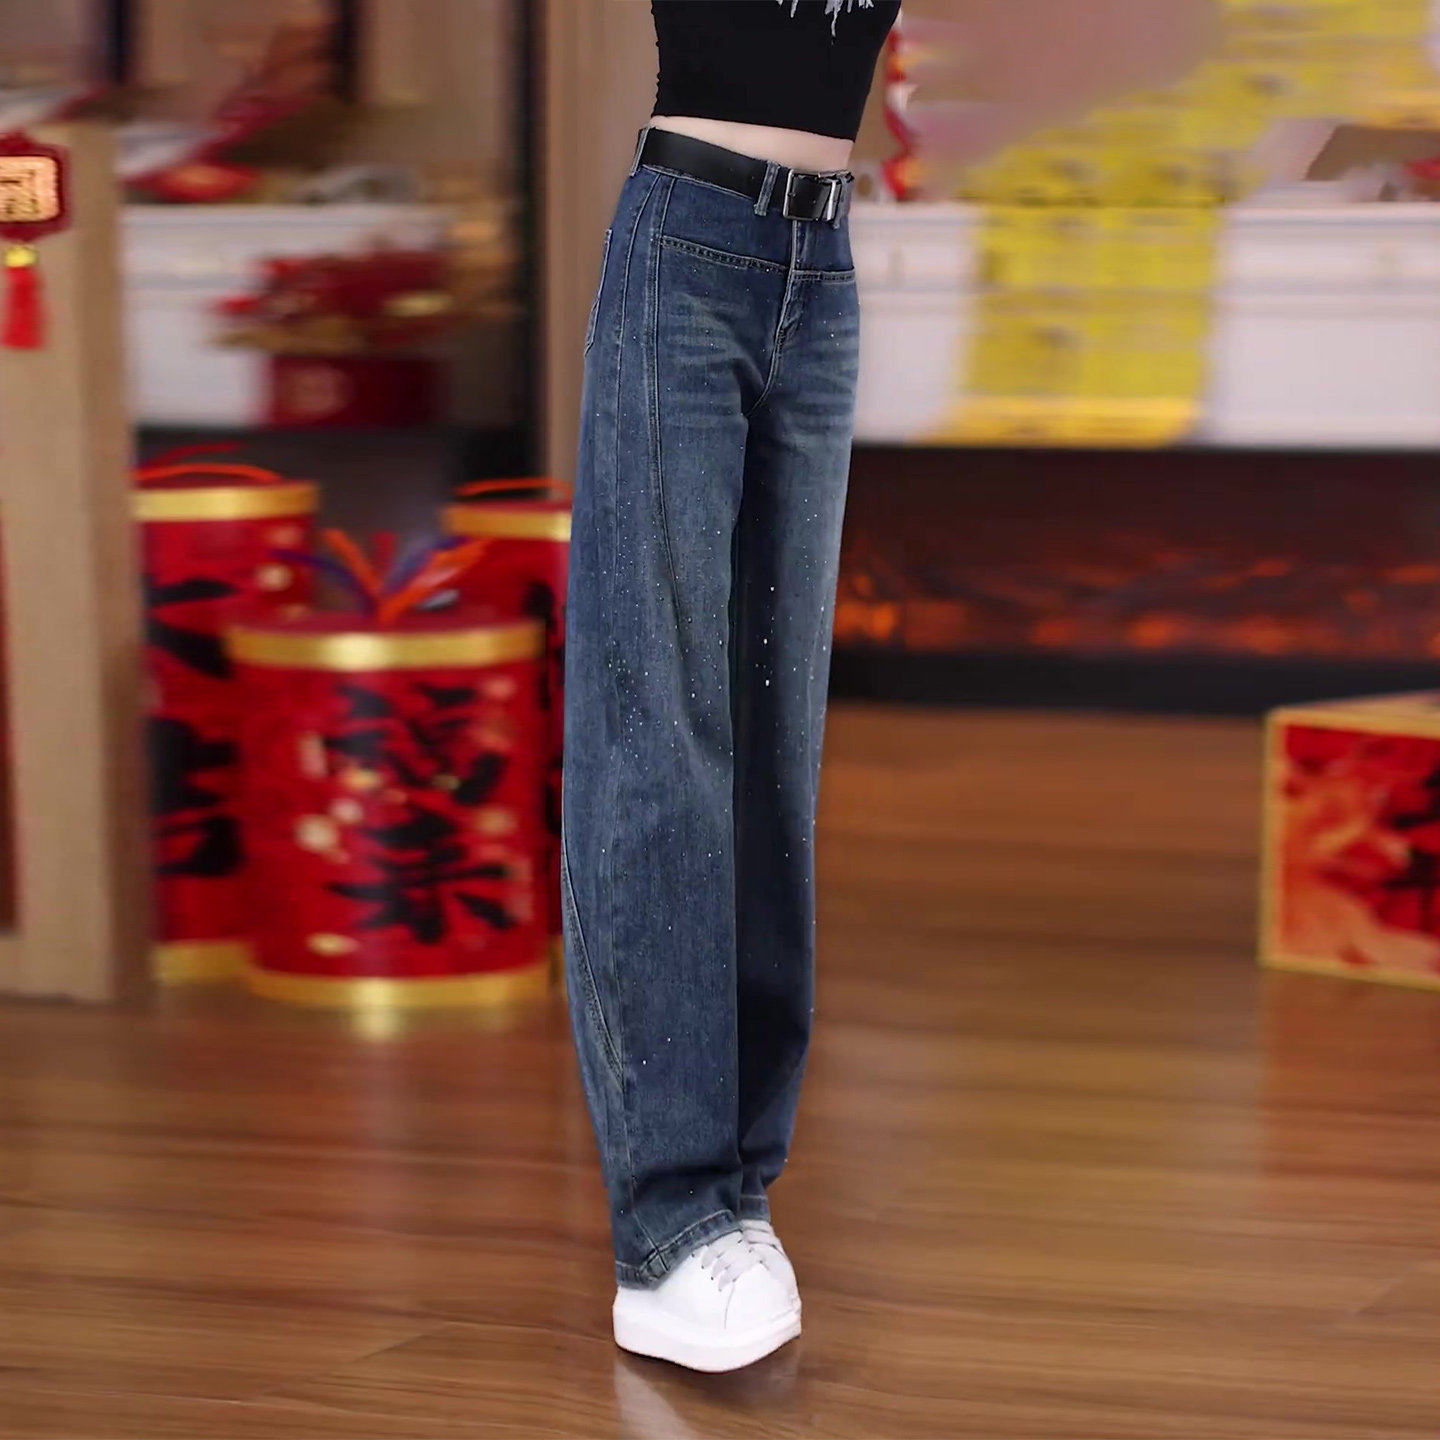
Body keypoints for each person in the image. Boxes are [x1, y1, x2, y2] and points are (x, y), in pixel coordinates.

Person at [560, 0, 898, 1375]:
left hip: (822, 264)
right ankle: (666, 1225)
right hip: (689, 244)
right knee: (661, 731)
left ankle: (735, 1198)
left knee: (770, 755)